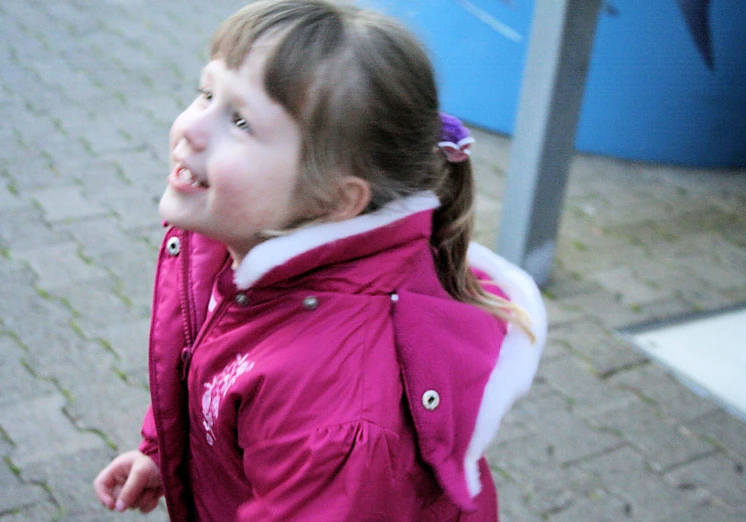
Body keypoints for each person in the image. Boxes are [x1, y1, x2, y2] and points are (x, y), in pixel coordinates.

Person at [93, 1, 546, 520]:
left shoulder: (338, 419)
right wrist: (165, 450)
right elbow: (214, 363)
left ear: (335, 200)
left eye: (240, 121)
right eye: (206, 93)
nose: (192, 128)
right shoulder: (236, 244)